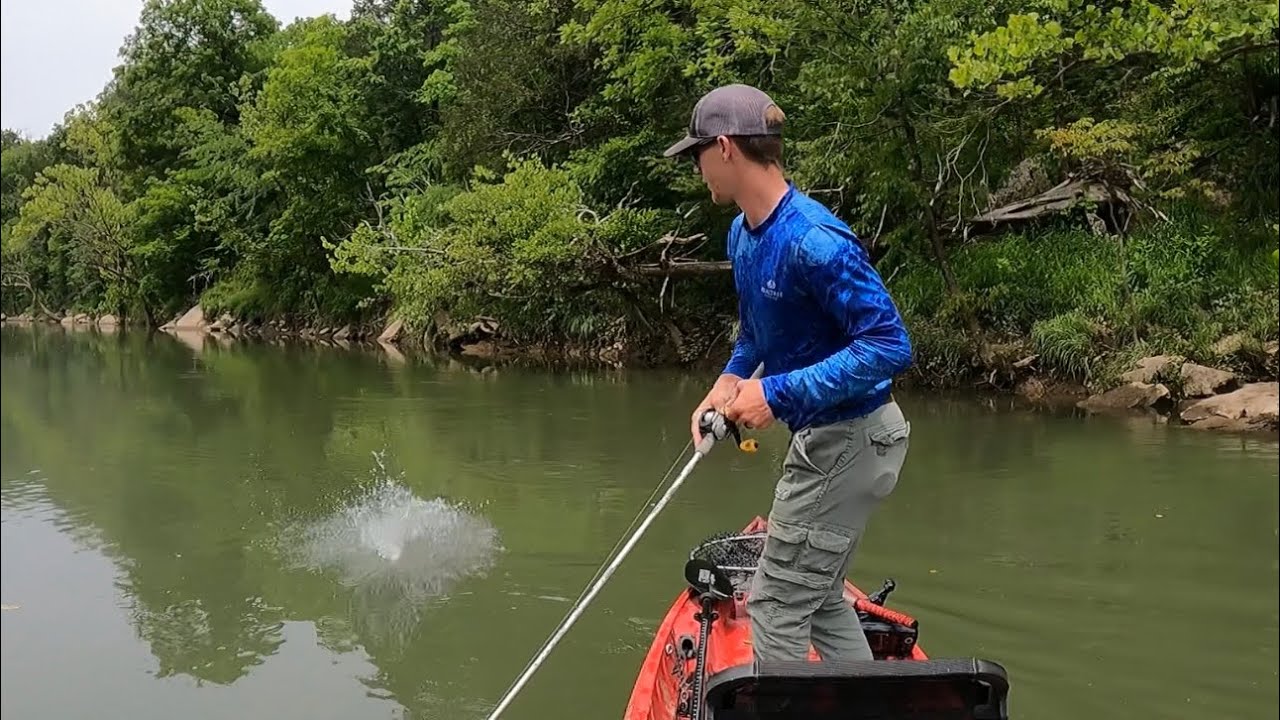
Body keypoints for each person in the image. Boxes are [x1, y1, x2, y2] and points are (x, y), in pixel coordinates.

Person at [664, 84, 914, 664]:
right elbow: (757, 333)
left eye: (697, 153)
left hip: (855, 439)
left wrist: (775, 392)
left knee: (774, 605)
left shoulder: (814, 239)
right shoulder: (743, 234)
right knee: (821, 598)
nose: (696, 168)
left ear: (724, 147)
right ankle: (867, 707)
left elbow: (889, 346)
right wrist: (727, 383)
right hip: (824, 440)